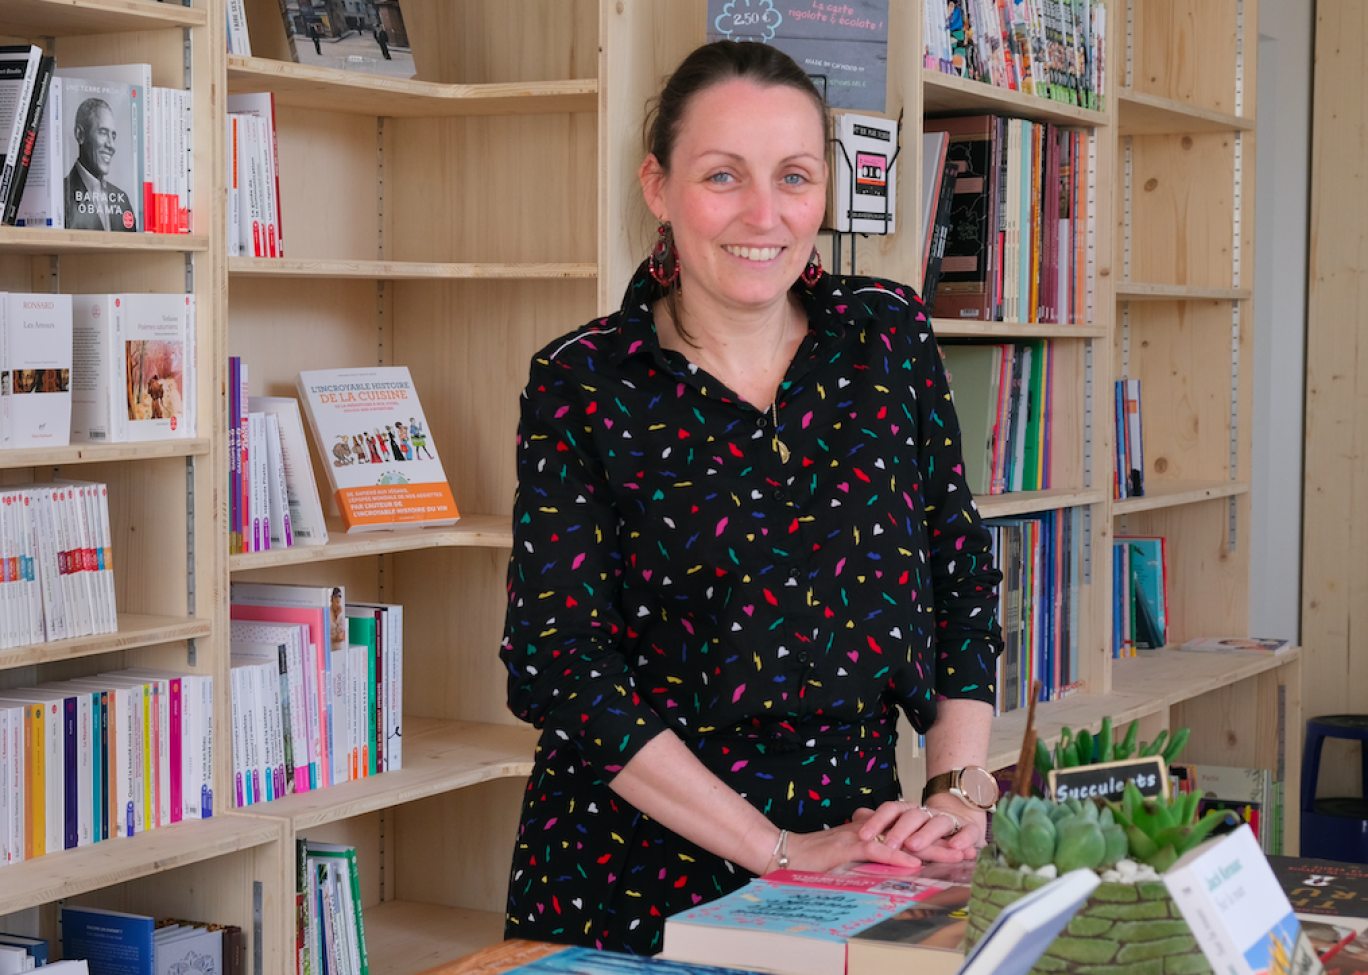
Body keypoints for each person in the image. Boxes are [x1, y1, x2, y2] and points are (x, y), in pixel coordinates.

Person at [499, 40, 1003, 956]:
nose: (765, 214)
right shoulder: (582, 382)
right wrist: (779, 850)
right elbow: (558, 660)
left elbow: (960, 570)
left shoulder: (888, 339)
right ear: (658, 186)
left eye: (795, 177)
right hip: (631, 882)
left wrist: (955, 794)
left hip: (863, 859)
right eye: (723, 176)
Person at [64, 98, 136, 232]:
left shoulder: (122, 200)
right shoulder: (61, 195)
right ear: (80, 134)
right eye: (103, 133)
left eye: (113, 136)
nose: (111, 145)